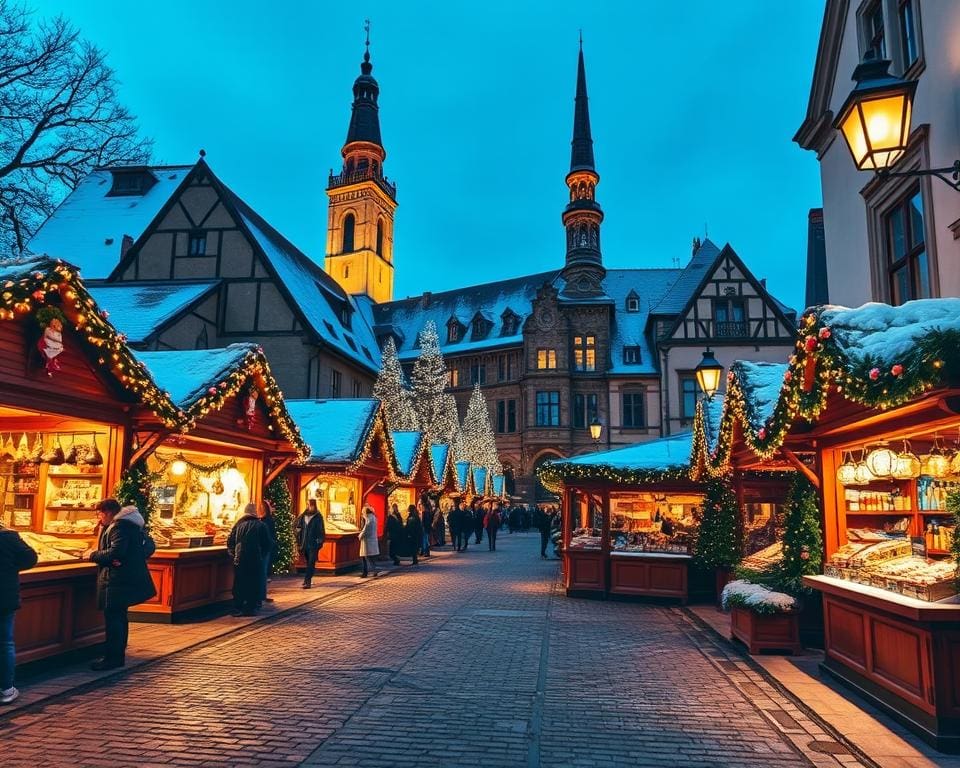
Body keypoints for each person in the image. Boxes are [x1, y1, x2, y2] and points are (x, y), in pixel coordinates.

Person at [84, 499, 156, 670]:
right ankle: (116, 656)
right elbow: (147, 548)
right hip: (123, 578)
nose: (99, 518)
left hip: (116, 580)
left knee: (114, 619)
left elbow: (117, 551)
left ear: (108, 512)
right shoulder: (131, 523)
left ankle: (113, 658)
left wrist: (92, 555)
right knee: (119, 618)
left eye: (100, 514)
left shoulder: (119, 526)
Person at [0, 521, 38, 704]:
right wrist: (11, 567)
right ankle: (6, 688)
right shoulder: (9, 537)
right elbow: (31, 558)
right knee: (4, 643)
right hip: (4, 598)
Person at [227, 502, 270, 616]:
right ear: (255, 513)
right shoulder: (261, 525)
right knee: (253, 582)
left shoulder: (238, 525)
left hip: (240, 558)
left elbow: (230, 542)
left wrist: (233, 554)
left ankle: (237, 607)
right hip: (255, 559)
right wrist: (262, 556)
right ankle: (250, 607)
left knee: (240, 582)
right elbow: (267, 544)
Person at [294, 498, 326, 589]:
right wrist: (297, 531)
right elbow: (296, 525)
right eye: (308, 504)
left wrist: (319, 540)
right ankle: (309, 579)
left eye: (310, 504)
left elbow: (321, 529)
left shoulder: (318, 516)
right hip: (304, 543)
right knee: (308, 562)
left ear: (314, 505)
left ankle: (307, 581)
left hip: (313, 543)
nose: (309, 506)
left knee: (311, 562)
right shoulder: (303, 515)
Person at [258, 500, 277, 602]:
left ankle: (261, 596)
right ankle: (261, 595)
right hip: (264, 549)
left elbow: (269, 537)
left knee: (262, 572)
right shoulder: (265, 520)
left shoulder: (266, 521)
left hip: (264, 550)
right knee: (262, 573)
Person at [358, 506, 380, 577]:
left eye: (363, 513)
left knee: (365, 557)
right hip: (371, 541)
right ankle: (374, 570)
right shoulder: (373, 518)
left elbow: (366, 530)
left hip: (367, 541)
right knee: (370, 557)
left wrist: (360, 535)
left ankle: (366, 572)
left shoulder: (369, 520)